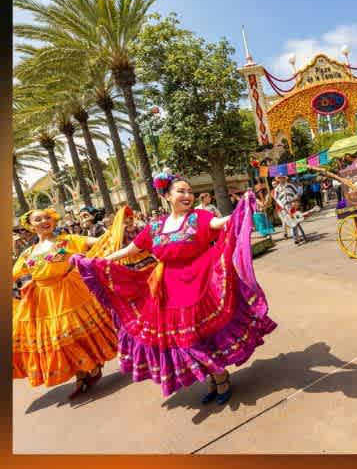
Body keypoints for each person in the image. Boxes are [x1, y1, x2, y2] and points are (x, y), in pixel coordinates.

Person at [72, 172, 277, 404]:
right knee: (184, 339)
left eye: (190, 191)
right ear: (167, 196)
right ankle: (215, 377)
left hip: (199, 282)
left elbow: (220, 223)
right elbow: (130, 250)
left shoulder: (199, 216)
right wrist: (97, 261)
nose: (187, 195)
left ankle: (220, 379)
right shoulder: (155, 226)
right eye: (181, 191)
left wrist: (241, 207)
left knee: (198, 336)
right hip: (168, 289)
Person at [12, 208, 118, 399]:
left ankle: (89, 368)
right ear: (31, 226)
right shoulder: (27, 253)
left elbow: (99, 242)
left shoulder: (68, 240)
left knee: (70, 331)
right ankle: (83, 371)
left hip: (71, 293)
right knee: (59, 337)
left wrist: (117, 227)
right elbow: (13, 274)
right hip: (45, 299)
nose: (44, 221)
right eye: (38, 219)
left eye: (47, 218)